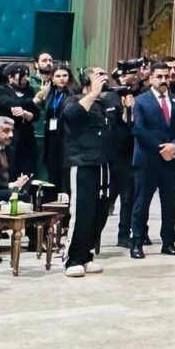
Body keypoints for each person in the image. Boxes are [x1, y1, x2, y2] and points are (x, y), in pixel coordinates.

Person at [129, 61, 175, 258]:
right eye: (159, 76)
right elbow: (139, 129)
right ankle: (137, 243)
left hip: (173, 160)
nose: (164, 80)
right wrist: (160, 148)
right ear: (150, 79)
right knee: (142, 203)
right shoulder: (140, 101)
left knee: (170, 203)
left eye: (166, 76)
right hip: (147, 160)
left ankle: (168, 242)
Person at [59, 68, 109, 278]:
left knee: (99, 211)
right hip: (81, 162)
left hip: (102, 162)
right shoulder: (73, 100)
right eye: (98, 75)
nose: (103, 78)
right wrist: (93, 93)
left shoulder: (101, 104)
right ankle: (72, 258)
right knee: (82, 211)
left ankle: (86, 255)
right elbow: (73, 116)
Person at [94, 62, 138, 246]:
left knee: (128, 197)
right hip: (109, 154)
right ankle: (94, 236)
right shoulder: (106, 97)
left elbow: (132, 123)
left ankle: (124, 234)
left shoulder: (136, 95)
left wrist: (130, 107)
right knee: (105, 198)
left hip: (128, 153)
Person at [0, 63, 38, 177]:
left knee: (27, 168)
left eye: (27, 75)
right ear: (10, 77)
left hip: (26, 135)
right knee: (8, 166)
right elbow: (8, 103)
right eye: (22, 75)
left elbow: (36, 113)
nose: (26, 78)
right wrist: (33, 101)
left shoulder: (29, 91)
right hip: (6, 134)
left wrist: (28, 115)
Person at [36, 62, 73, 189]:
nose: (62, 79)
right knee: (52, 167)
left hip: (66, 135)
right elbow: (36, 104)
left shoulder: (73, 93)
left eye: (65, 75)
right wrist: (41, 94)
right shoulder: (50, 93)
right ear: (52, 78)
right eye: (58, 76)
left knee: (64, 169)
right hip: (51, 135)